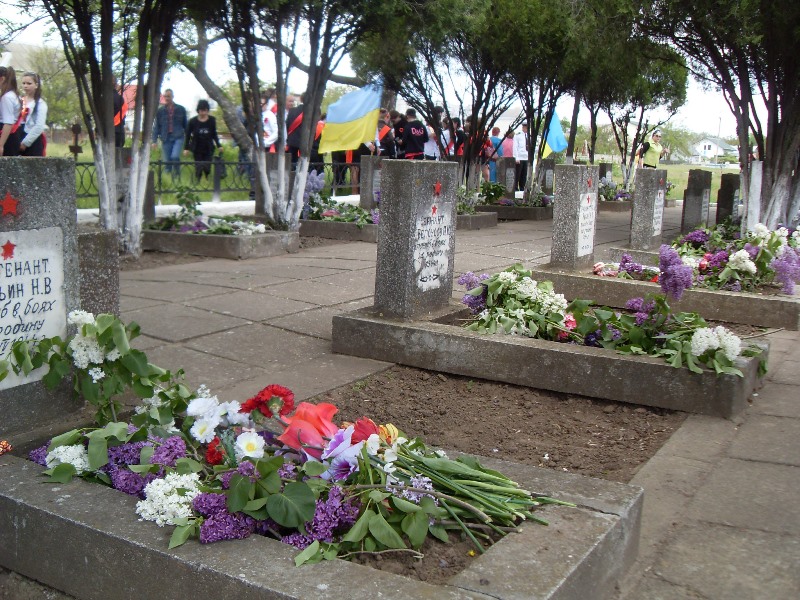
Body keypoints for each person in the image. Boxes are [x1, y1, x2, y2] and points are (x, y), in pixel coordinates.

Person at [151, 89, 187, 176]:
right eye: (165, 96)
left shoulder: (181, 109)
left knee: (175, 156)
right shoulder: (160, 111)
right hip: (166, 138)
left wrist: (188, 142)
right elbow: (156, 126)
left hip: (178, 137)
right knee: (167, 162)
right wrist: (154, 141)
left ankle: (177, 174)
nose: (167, 98)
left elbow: (186, 125)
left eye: (168, 96)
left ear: (172, 97)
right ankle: (169, 179)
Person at [184, 99, 222, 181]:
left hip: (208, 147)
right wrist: (186, 148)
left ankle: (207, 178)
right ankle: (198, 180)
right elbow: (188, 135)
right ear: (198, 111)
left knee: (207, 166)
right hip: (197, 147)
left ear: (207, 110)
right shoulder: (192, 121)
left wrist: (219, 145)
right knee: (198, 166)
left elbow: (214, 134)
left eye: (205, 111)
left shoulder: (212, 120)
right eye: (201, 111)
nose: (203, 113)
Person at [18, 72, 48, 157]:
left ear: (36, 85)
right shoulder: (19, 100)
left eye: (29, 83)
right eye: (24, 83)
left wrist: (25, 143)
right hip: (18, 135)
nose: (25, 86)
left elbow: (39, 126)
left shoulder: (40, 104)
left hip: (33, 140)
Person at [0, 66, 21, 157]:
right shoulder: (13, 95)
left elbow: (8, 123)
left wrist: (1, 145)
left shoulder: (7, 97)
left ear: (2, 79)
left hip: (7, 136)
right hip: (12, 135)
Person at [513, 122, 529, 191]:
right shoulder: (518, 135)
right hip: (520, 157)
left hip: (526, 157)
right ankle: (515, 188)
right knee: (518, 174)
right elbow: (515, 147)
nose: (526, 129)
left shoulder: (529, 136)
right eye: (526, 127)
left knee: (524, 175)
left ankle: (522, 188)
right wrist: (516, 157)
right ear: (523, 127)